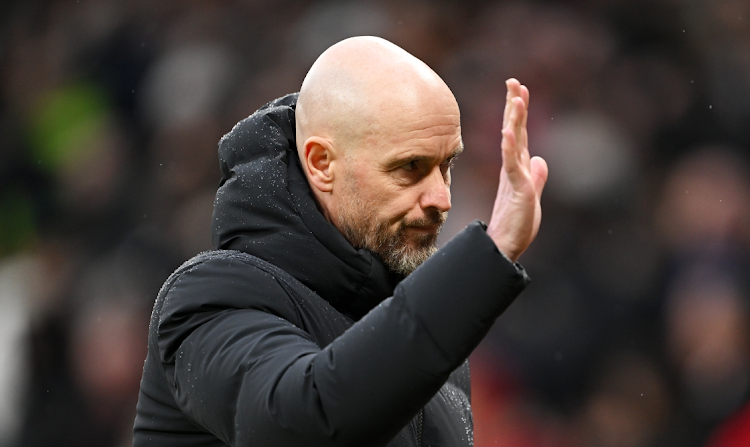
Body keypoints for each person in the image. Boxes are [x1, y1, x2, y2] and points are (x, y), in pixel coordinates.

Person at [133, 36, 547, 447]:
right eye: (410, 168)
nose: (441, 198)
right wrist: (486, 259)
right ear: (321, 164)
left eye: (446, 166)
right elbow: (301, 427)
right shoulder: (210, 296)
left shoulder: (430, 334)